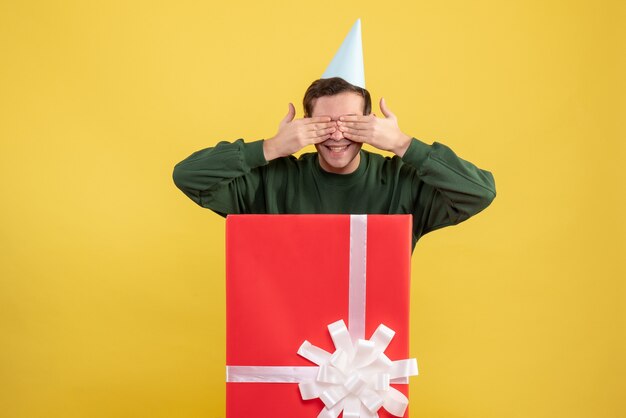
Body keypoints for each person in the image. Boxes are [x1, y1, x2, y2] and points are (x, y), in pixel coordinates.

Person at [172, 77, 496, 250]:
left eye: (352, 122)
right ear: (305, 125)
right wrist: (269, 148)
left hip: (373, 353)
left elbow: (480, 191)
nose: (337, 134)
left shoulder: (400, 182)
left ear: (371, 123)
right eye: (324, 123)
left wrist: (402, 144)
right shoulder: (274, 180)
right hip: (282, 343)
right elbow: (188, 176)